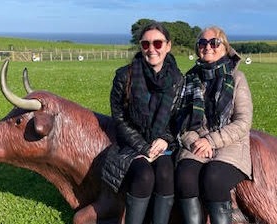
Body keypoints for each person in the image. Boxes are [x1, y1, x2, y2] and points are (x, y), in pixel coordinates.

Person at [101, 21, 183, 224]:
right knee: (144, 175)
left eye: (157, 43)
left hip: (163, 145)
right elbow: (119, 119)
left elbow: (179, 118)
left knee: (165, 173)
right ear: (140, 46)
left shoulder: (177, 79)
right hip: (131, 145)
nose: (151, 49)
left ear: (168, 45)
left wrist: (165, 138)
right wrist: (143, 147)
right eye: (146, 44)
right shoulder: (124, 76)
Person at [174, 26, 253, 224]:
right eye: (202, 43)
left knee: (214, 178)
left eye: (214, 42)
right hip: (196, 143)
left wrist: (211, 141)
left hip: (230, 144)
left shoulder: (237, 78)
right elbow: (180, 119)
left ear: (225, 47)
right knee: (185, 177)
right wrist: (193, 141)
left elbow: (243, 121)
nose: (207, 47)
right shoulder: (189, 79)